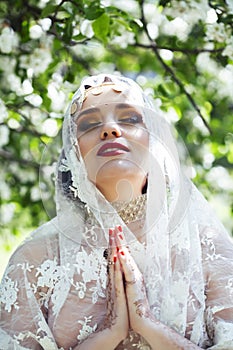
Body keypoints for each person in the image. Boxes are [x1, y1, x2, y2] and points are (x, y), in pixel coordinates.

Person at [0, 73, 233, 350]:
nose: (110, 130)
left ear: (155, 142)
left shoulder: (206, 245)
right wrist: (109, 333)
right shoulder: (34, 260)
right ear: (74, 153)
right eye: (89, 123)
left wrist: (149, 325)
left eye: (130, 119)